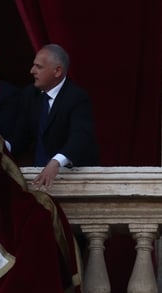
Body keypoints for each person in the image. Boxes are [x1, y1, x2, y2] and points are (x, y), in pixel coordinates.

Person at [10, 44, 98, 187]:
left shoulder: (77, 97)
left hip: (73, 179)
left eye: (39, 67)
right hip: (36, 176)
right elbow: (21, 135)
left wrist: (56, 162)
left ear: (57, 71)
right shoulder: (29, 95)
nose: (32, 71)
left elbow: (80, 136)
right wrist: (3, 145)